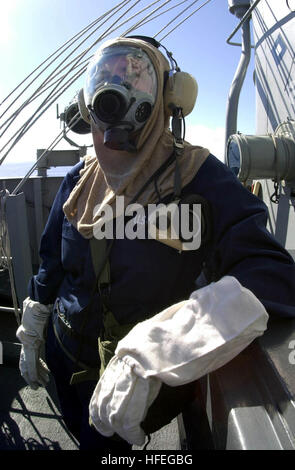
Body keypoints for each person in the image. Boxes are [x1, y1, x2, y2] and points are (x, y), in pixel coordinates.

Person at [16, 36, 295, 451]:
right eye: (105, 78)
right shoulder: (79, 181)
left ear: (167, 97)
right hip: (64, 358)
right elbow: (51, 261)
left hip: (135, 385)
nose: (115, 91)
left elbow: (272, 274)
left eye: (134, 76)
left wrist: (164, 347)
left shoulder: (197, 175)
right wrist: (34, 323)